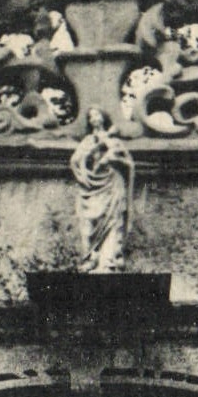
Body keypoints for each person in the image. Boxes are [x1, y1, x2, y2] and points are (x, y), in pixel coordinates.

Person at [69, 106, 135, 273]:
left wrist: (112, 158)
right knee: (88, 224)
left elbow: (129, 164)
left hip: (112, 184)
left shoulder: (114, 141)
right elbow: (75, 161)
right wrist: (91, 153)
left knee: (113, 221)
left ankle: (109, 262)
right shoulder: (88, 141)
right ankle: (91, 258)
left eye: (97, 114)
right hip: (91, 187)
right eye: (91, 116)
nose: (94, 118)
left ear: (104, 117)